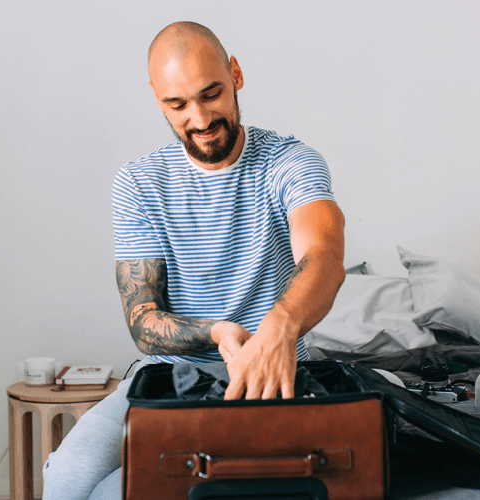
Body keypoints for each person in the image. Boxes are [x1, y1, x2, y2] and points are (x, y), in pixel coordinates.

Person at [42, 21, 345, 499]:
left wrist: (278, 330)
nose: (201, 118)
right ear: (156, 97)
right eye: (177, 104)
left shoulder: (291, 162)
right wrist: (218, 332)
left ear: (236, 74)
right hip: (165, 382)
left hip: (271, 384)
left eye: (211, 94)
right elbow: (144, 322)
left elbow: (325, 256)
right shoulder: (139, 182)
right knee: (65, 477)